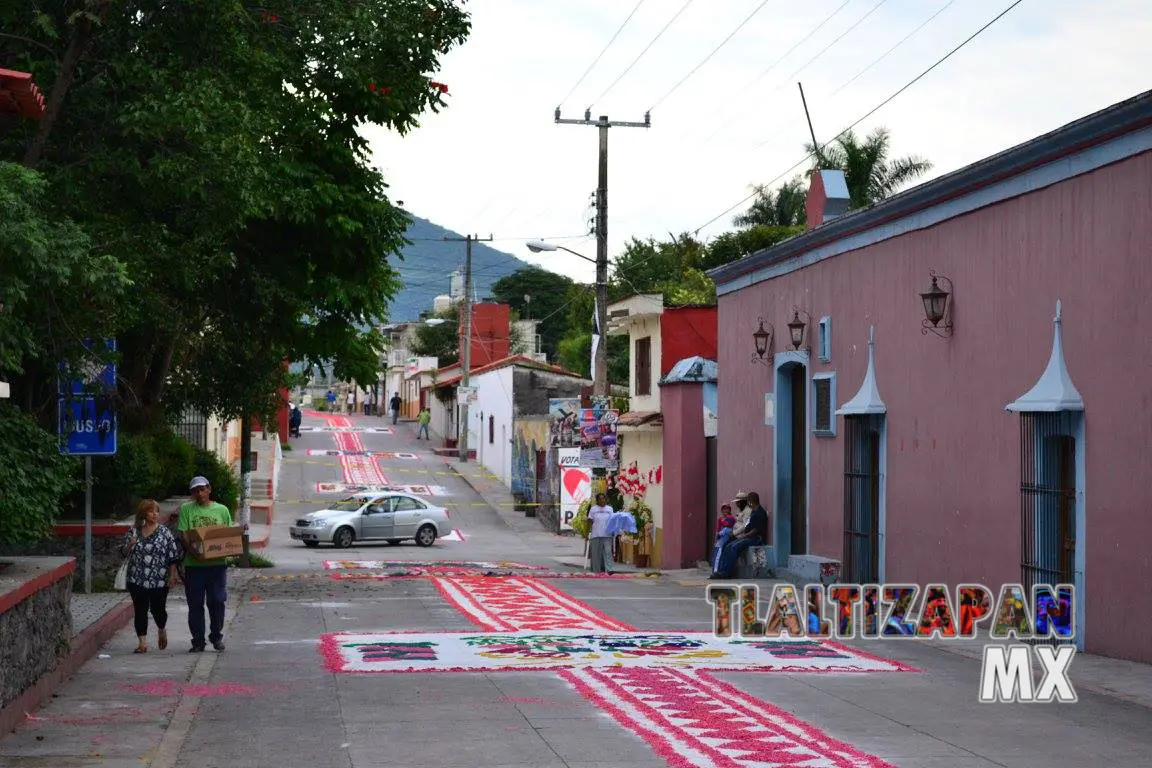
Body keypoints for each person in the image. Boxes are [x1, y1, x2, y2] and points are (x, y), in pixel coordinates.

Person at [178, 476, 233, 652]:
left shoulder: (222, 510)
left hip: (217, 565)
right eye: (195, 491)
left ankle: (216, 636)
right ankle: (198, 641)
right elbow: (183, 535)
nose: (199, 493)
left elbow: (227, 536)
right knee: (195, 605)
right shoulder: (186, 509)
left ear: (209, 489)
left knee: (217, 601)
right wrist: (194, 553)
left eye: (202, 489)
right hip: (194, 566)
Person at [120, 499, 181, 653]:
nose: (155, 514)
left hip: (159, 579)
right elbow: (123, 553)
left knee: (157, 610)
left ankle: (161, 628)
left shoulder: (164, 532)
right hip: (136, 578)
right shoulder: (134, 531)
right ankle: (142, 643)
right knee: (140, 610)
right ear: (143, 513)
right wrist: (129, 545)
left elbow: (173, 556)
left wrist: (172, 576)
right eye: (151, 511)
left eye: (157, 511)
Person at [711, 491, 770, 579]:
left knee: (734, 547)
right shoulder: (753, 512)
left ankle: (726, 572)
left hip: (755, 538)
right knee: (728, 546)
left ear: (751, 501)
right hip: (748, 536)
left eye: (749, 501)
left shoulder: (760, 513)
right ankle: (722, 570)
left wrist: (744, 536)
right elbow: (747, 525)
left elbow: (755, 530)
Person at [587, 494, 615, 574]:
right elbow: (589, 520)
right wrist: (587, 531)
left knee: (608, 552)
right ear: (597, 500)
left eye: (603, 499)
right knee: (596, 554)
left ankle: (609, 569)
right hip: (596, 534)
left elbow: (612, 520)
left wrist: (613, 530)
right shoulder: (593, 509)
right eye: (600, 499)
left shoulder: (610, 509)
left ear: (606, 500)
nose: (602, 500)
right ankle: (596, 570)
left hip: (607, 535)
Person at [710, 503, 738, 573]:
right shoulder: (720, 519)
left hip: (728, 538)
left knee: (719, 553)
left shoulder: (731, 518)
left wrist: (723, 521)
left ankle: (716, 571)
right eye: (723, 509)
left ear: (729, 510)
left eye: (726, 509)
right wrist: (715, 540)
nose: (725, 510)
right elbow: (718, 530)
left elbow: (728, 526)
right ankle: (716, 570)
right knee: (717, 552)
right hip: (721, 539)